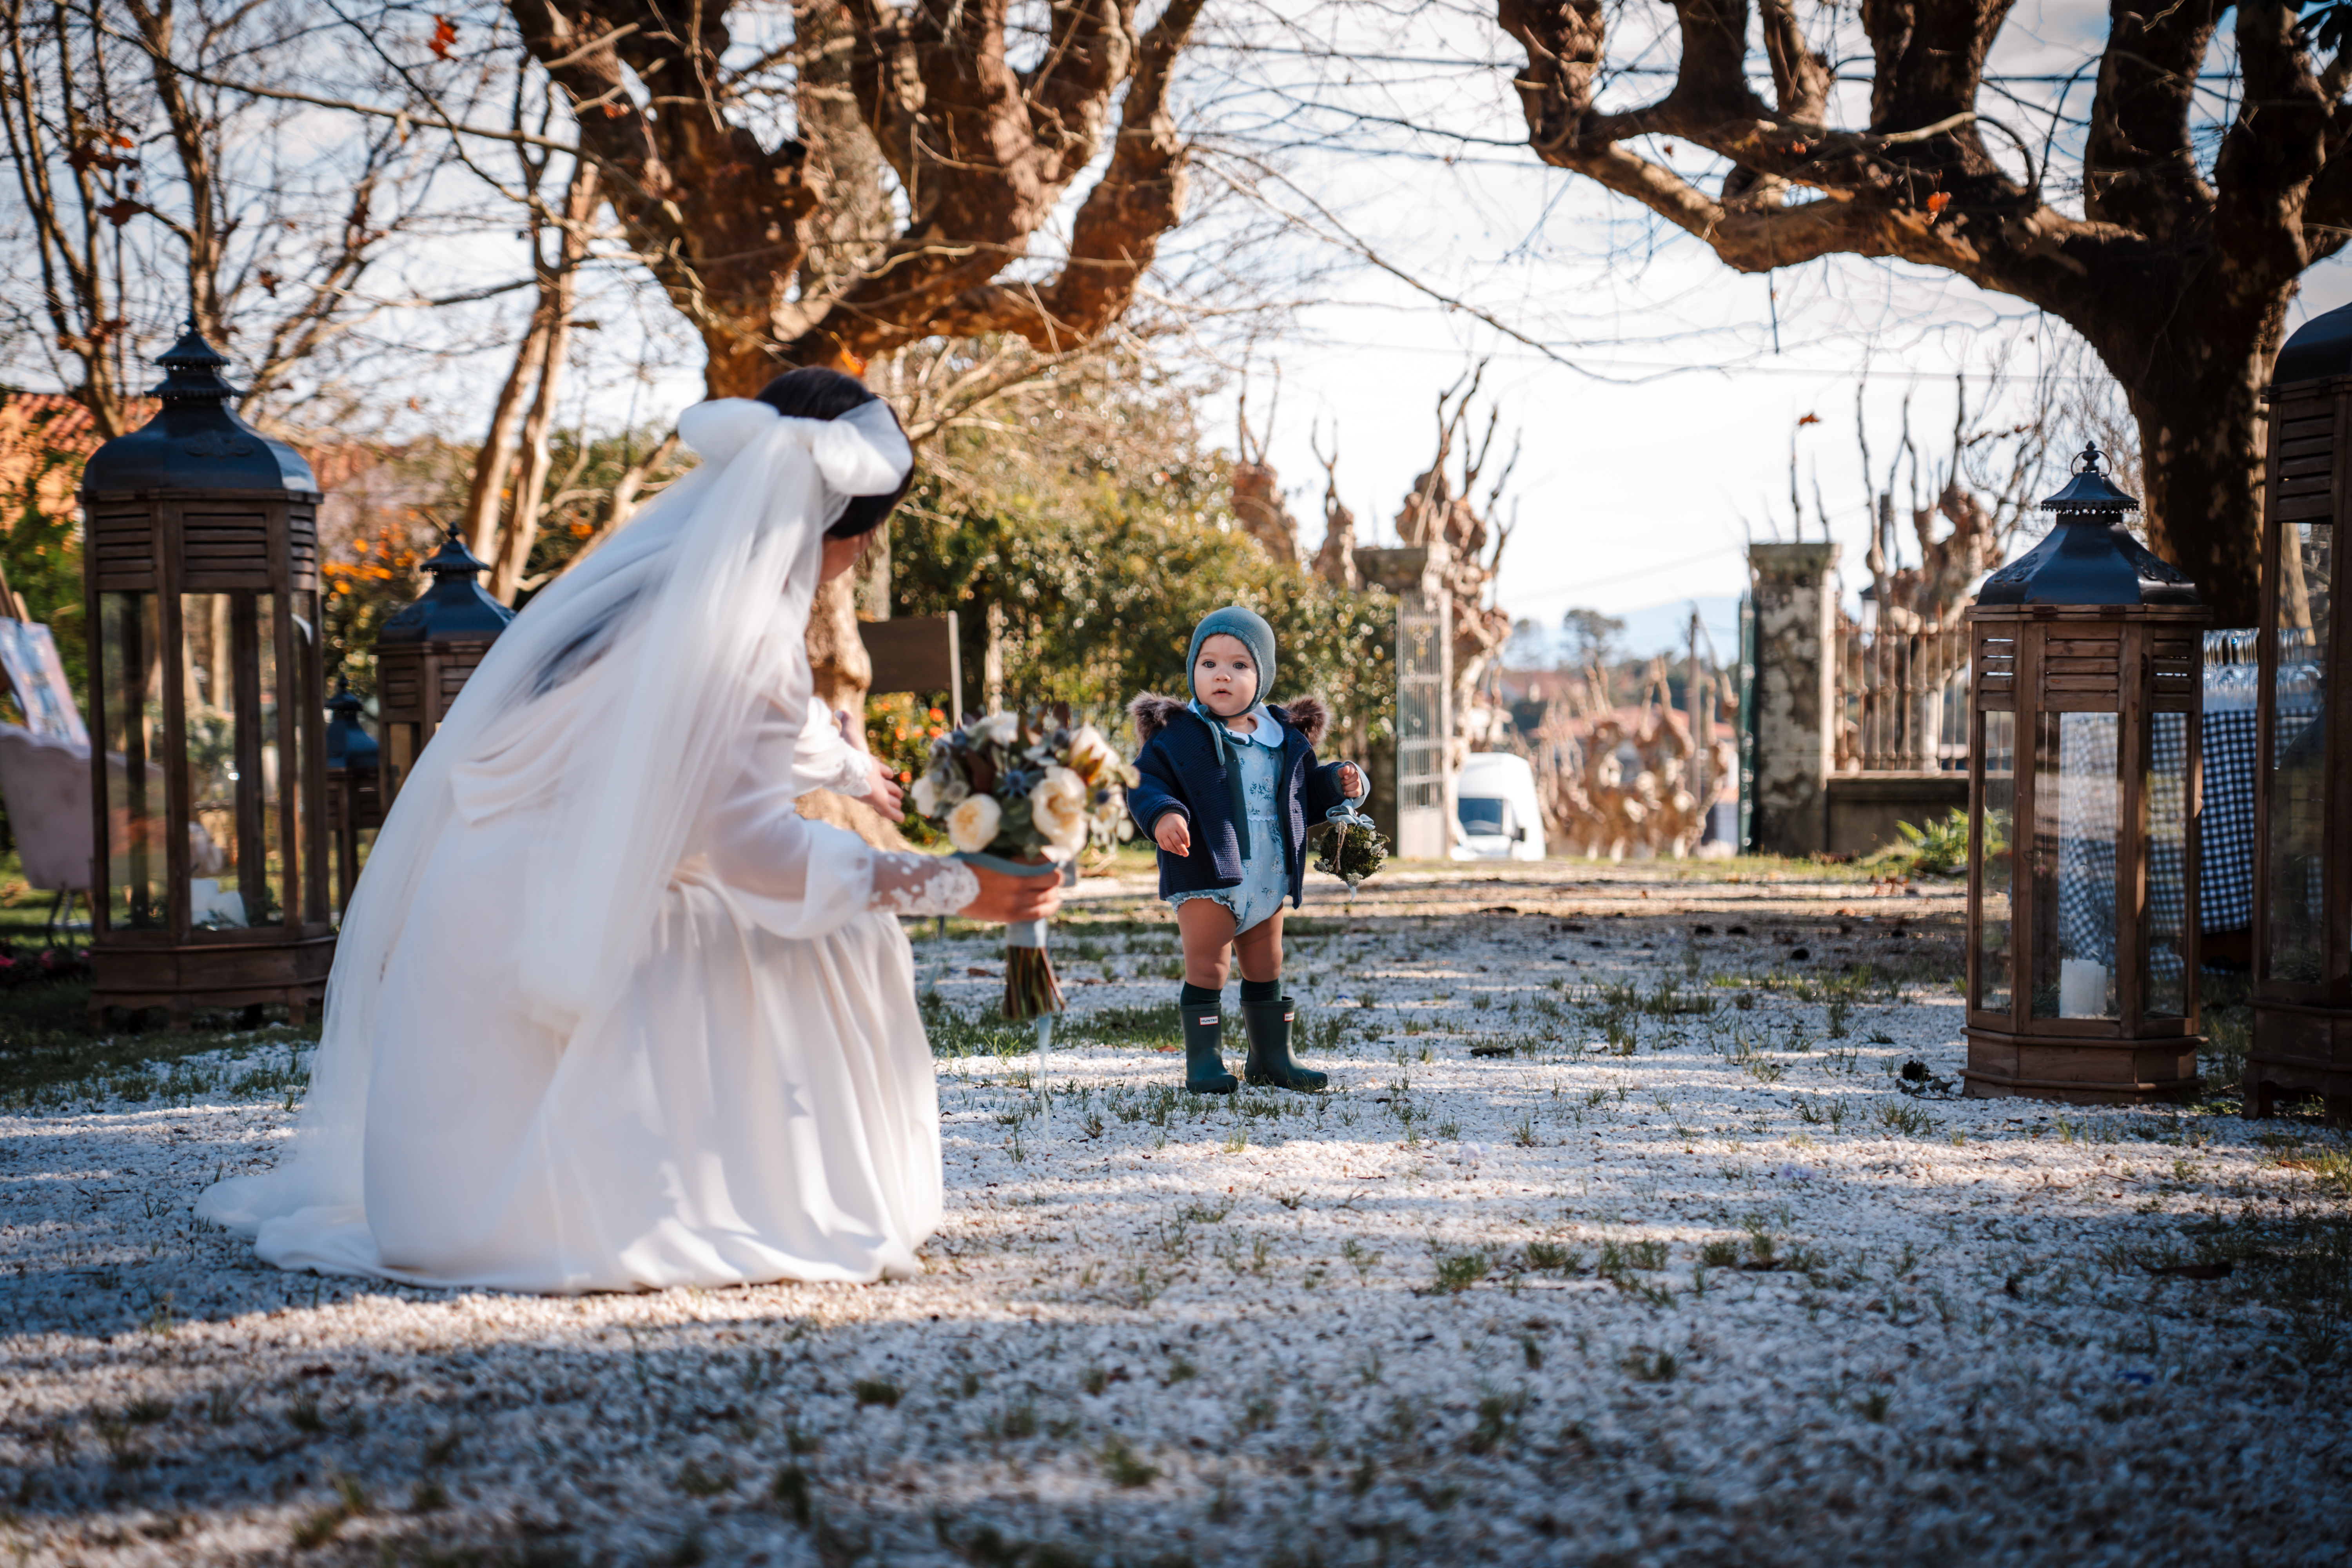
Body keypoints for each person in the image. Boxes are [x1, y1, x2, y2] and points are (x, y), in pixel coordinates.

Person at [196, 369, 1058, 1293]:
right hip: (568, 914)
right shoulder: (749, 629)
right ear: (851, 524)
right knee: (844, 930)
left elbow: (713, 735)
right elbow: (756, 857)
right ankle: (743, 1189)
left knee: (795, 896)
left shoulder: (643, 586)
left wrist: (854, 771)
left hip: (473, 910)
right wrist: (946, 884)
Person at [1125, 607, 1366, 1094]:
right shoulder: (1179, 734)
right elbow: (1144, 782)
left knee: (1266, 963)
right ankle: (1206, 1061)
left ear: (1263, 677)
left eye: (1240, 665)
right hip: (1207, 870)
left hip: (1268, 874)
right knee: (1209, 964)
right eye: (1208, 663)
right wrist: (1165, 813)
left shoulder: (1282, 736)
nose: (1222, 675)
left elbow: (1303, 794)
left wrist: (1338, 782)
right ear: (1193, 670)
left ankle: (1271, 1057)